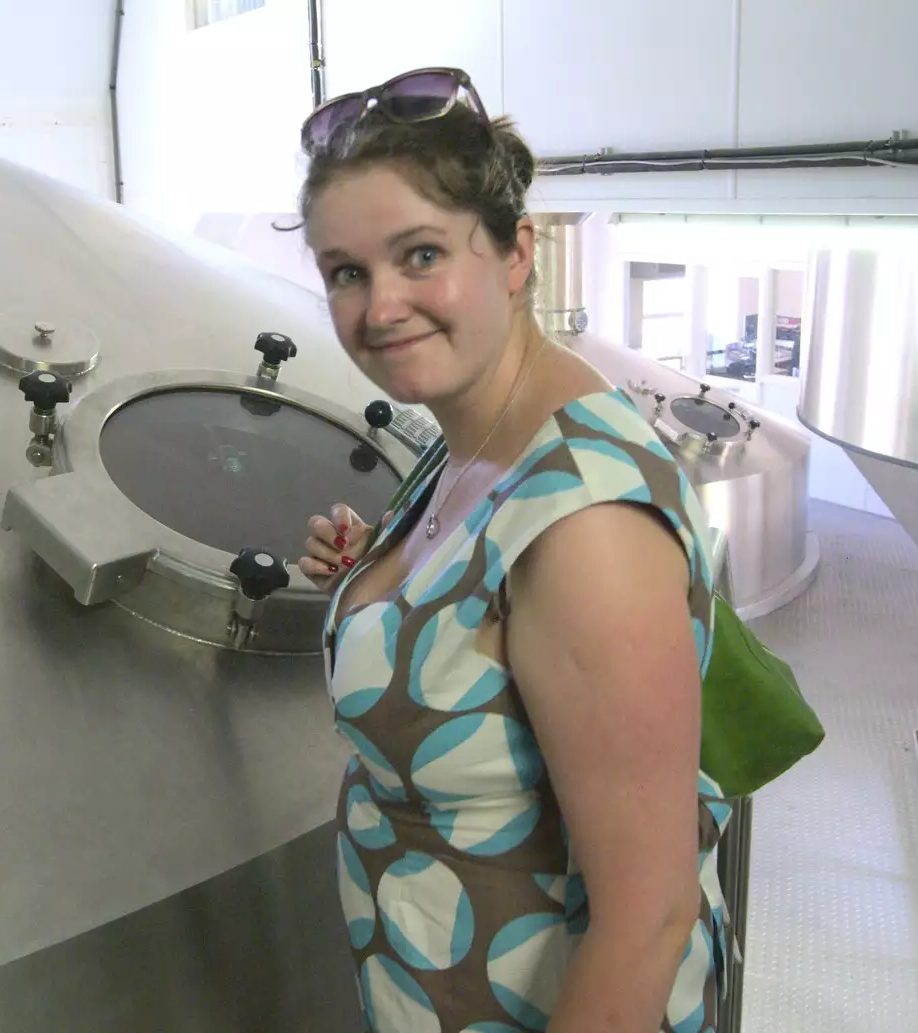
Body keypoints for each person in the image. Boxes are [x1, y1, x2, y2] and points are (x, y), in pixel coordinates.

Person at [292, 66, 731, 1033]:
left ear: (516, 253)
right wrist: (384, 571)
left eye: (419, 254)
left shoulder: (584, 527)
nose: (379, 307)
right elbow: (490, 619)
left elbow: (647, 920)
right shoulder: (481, 434)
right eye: (346, 272)